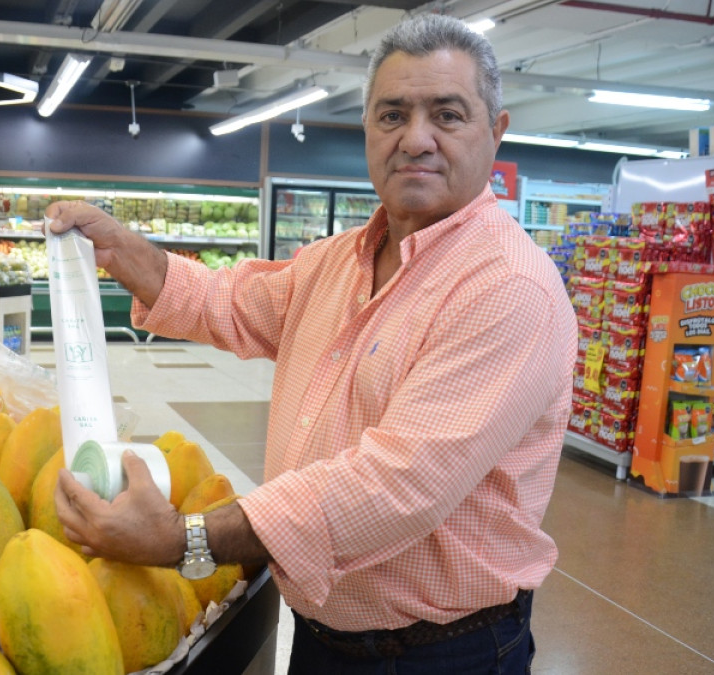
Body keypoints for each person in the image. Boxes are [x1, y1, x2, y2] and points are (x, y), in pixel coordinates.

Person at [50, 13, 576, 674]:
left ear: (495, 132)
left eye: (447, 115)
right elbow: (227, 302)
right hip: (324, 637)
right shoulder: (337, 260)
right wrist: (122, 250)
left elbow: (392, 488)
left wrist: (185, 538)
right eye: (392, 115)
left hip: (443, 654)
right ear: (367, 130)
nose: (416, 139)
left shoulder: (507, 288)